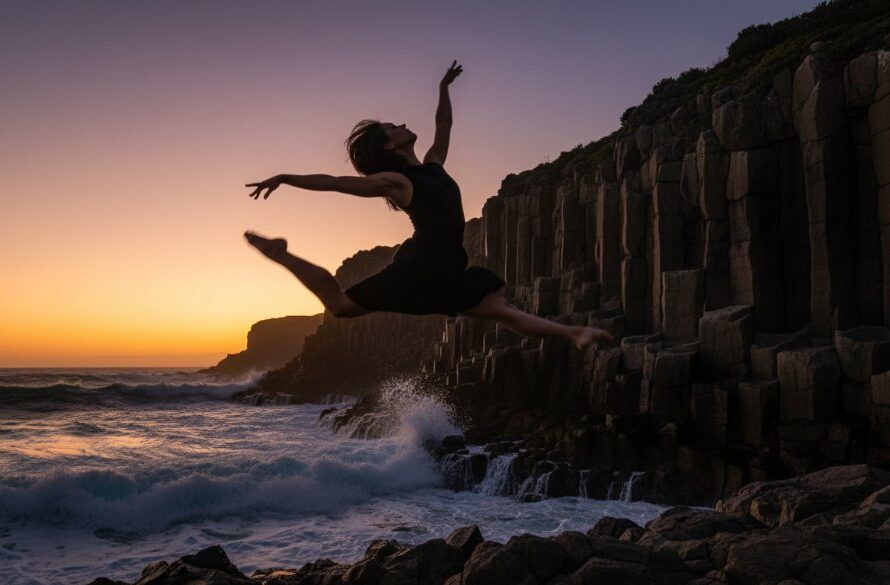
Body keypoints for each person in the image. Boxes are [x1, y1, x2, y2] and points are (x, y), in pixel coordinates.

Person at [244, 60, 614, 351]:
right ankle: (282, 255)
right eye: (394, 126)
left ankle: (575, 334)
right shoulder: (398, 182)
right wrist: (286, 177)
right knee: (340, 306)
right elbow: (337, 183)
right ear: (390, 146)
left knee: (503, 312)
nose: (402, 124)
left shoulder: (433, 164)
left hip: (446, 266)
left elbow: (444, 122)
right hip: (423, 266)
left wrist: (443, 88)